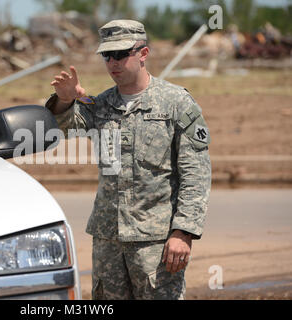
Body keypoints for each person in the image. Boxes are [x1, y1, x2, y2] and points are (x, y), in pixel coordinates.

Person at [45, 20, 211, 300]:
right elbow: (64, 126)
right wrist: (64, 100)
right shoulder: (101, 105)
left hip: (155, 243)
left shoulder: (176, 103)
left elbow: (196, 174)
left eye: (121, 54)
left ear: (143, 53)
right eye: (107, 56)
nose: (113, 62)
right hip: (109, 240)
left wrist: (183, 232)